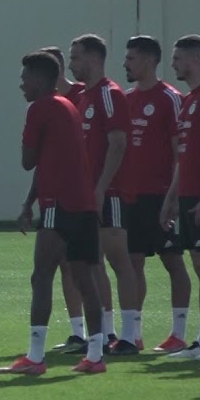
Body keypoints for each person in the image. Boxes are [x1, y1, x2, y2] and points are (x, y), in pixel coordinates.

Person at [1, 51, 108, 375]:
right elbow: (49, 160)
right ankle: (95, 355)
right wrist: (28, 202)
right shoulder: (68, 106)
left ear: (39, 79)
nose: (21, 85)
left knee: (41, 275)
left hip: (59, 205)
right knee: (85, 279)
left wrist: (27, 139)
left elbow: (28, 161)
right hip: (84, 205)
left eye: (25, 78)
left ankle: (35, 357)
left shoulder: (40, 108)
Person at [67, 34, 138, 352]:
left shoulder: (109, 94)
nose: (72, 64)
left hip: (109, 192)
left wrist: (101, 188)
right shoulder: (84, 96)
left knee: (118, 260)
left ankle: (129, 336)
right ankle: (106, 333)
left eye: (76, 57)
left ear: (94, 59)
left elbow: (118, 143)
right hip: (88, 194)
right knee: (93, 262)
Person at [121, 36, 189, 354]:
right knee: (132, 263)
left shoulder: (170, 98)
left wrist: (173, 196)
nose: (126, 64)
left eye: (131, 58)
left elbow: (180, 152)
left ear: (149, 61)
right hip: (131, 197)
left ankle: (179, 333)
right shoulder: (125, 99)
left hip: (161, 196)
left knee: (173, 260)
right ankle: (133, 334)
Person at [161, 35, 200, 360]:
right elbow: (184, 155)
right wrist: (172, 197)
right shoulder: (191, 100)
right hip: (189, 195)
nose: (173, 64)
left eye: (178, 58)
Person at [42, 46, 88, 352]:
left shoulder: (81, 96)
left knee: (86, 264)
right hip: (54, 194)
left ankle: (105, 334)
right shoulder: (45, 102)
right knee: (63, 263)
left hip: (81, 194)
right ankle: (78, 332)